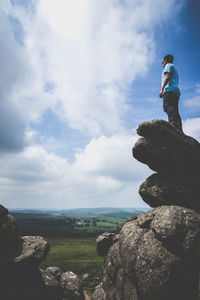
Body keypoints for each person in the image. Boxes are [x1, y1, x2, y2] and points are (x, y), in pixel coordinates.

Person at [159, 54, 183, 132]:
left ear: (165, 60)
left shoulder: (168, 66)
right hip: (176, 91)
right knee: (175, 109)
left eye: (163, 60)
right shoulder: (174, 68)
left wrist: (162, 89)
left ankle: (173, 123)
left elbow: (167, 76)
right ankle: (179, 128)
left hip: (169, 89)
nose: (162, 62)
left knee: (167, 106)